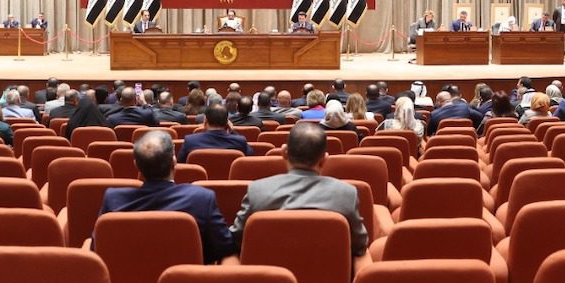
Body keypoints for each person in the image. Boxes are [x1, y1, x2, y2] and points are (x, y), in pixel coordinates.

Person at [94, 130, 235, 264]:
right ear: (174, 161)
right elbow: (225, 246)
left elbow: (96, 248)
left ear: (136, 165)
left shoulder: (113, 199)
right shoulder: (201, 198)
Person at [230, 122, 368, 257]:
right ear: (324, 160)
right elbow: (360, 245)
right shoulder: (347, 194)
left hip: (266, 279)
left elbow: (235, 239)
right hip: (329, 278)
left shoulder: (257, 191)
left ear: (284, 153)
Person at [179, 104, 250, 161]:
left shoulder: (190, 141)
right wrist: (232, 130)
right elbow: (250, 157)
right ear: (227, 122)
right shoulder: (240, 141)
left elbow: (180, 163)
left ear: (205, 120)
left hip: (198, 179)